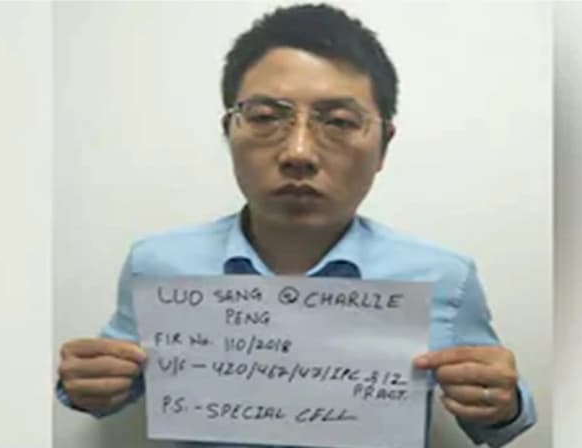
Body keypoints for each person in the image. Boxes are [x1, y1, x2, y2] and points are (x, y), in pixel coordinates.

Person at [56, 3, 537, 447]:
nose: (299, 153)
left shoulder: (443, 278)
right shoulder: (158, 266)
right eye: (266, 117)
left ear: (383, 146)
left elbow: (497, 427)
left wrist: (502, 404)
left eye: (340, 121)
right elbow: (107, 387)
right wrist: (88, 384)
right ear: (229, 131)